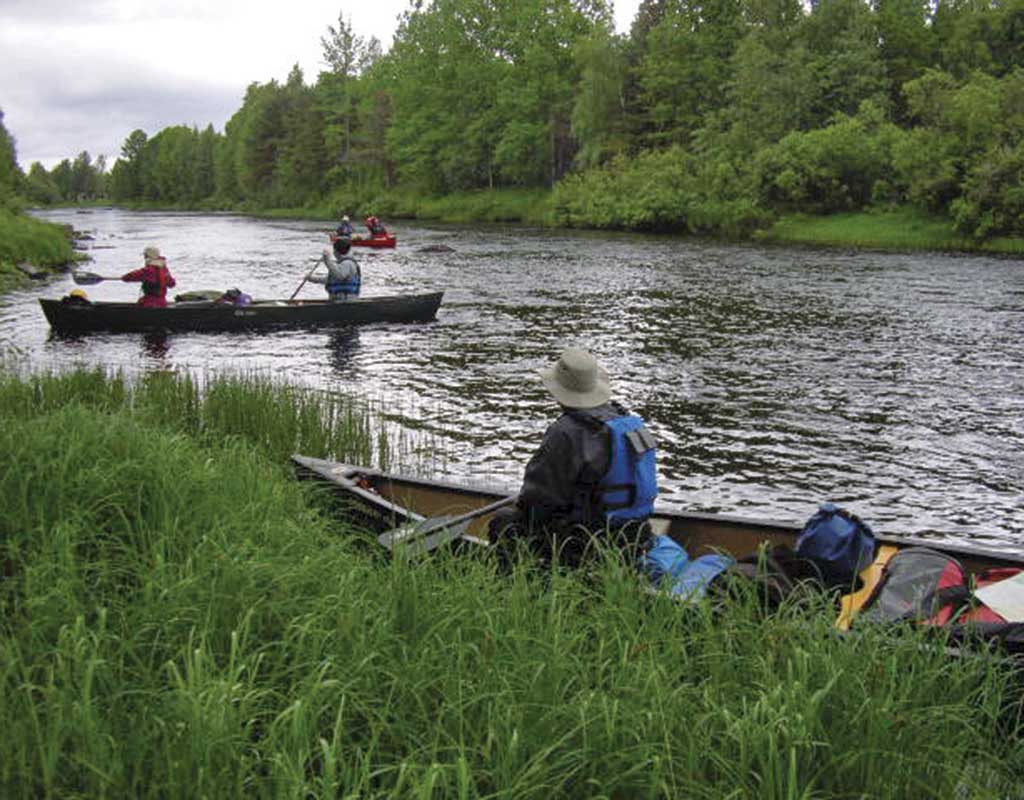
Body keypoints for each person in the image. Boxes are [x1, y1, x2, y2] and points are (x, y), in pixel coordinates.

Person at [489, 347, 659, 567]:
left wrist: (520, 507)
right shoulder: (630, 422)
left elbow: (539, 501)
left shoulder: (565, 432)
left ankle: (522, 584)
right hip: (636, 535)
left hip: (586, 540)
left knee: (503, 521)